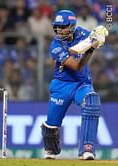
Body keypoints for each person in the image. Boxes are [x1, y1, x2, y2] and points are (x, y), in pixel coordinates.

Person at [41, 10, 108, 160]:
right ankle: (51, 150)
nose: (59, 30)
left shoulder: (82, 33)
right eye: (57, 27)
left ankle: (87, 149)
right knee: (52, 125)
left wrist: (99, 38)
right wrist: (90, 48)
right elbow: (76, 66)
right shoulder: (55, 46)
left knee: (91, 101)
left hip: (81, 84)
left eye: (63, 26)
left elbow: (96, 39)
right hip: (61, 85)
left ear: (72, 26)